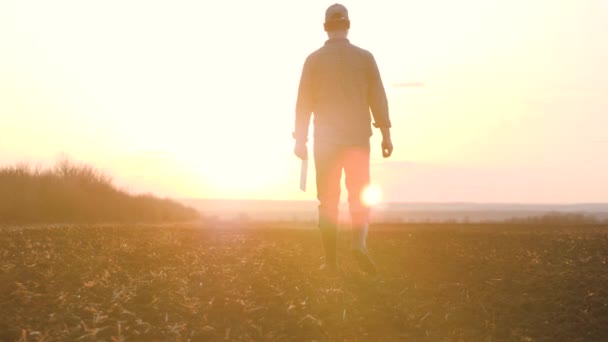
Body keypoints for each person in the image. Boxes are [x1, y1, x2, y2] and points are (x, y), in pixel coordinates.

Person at [293, 3, 393, 275]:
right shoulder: (365, 58)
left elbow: (303, 103)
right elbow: (378, 97)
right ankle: (359, 246)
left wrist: (300, 139)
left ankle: (331, 262)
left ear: (326, 27)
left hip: (325, 141)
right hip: (358, 139)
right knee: (359, 197)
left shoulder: (313, 60)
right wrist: (386, 134)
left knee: (328, 200)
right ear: (348, 25)